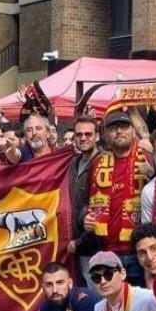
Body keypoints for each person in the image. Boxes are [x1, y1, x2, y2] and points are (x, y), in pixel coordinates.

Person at [85, 111, 154, 286]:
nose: (119, 131)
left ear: (133, 131)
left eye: (124, 127)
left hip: (139, 251)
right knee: (113, 307)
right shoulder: (97, 162)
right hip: (106, 250)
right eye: (113, 128)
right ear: (106, 135)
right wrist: (84, 217)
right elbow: (84, 202)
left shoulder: (148, 159)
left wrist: (153, 174)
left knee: (140, 305)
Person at [66, 116, 101, 285]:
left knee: (99, 294)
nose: (83, 138)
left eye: (88, 134)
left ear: (97, 136)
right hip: (77, 245)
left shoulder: (105, 161)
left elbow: (102, 209)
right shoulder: (73, 162)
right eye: (79, 134)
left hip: (95, 245)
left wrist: (80, 243)